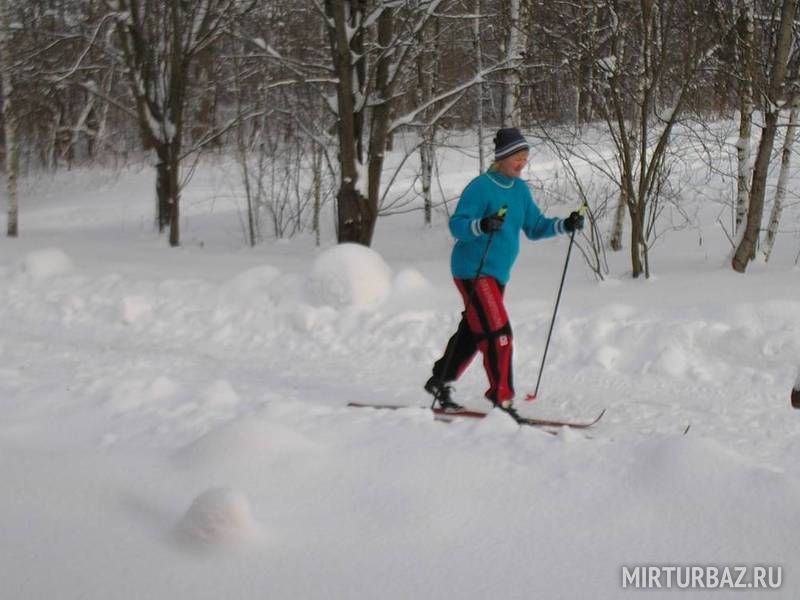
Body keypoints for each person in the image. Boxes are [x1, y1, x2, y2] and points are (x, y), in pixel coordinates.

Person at [425, 127, 584, 417]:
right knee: (498, 332)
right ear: (502, 157)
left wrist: (565, 225)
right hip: (473, 269)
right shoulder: (481, 186)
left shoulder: (521, 191)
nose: (523, 162)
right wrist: (482, 225)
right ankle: (502, 399)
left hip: (497, 274)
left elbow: (535, 227)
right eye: (518, 157)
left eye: (526, 157)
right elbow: (457, 225)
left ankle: (440, 380)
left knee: (475, 330)